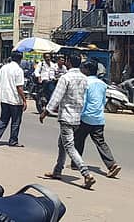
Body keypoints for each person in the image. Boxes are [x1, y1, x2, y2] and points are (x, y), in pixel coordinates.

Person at [40, 56, 96, 189]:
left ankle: (86, 173)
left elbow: (56, 97)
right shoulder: (84, 79)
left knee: (69, 146)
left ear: (68, 63)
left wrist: (46, 111)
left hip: (66, 117)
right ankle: (57, 171)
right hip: (77, 117)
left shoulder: (65, 78)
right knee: (62, 144)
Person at [73, 64, 122, 178]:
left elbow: (83, 101)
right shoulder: (102, 84)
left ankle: (76, 163)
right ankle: (112, 164)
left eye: (83, 69)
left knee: (78, 139)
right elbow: (103, 101)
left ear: (87, 70)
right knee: (100, 142)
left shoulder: (85, 82)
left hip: (86, 117)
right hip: (99, 118)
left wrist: (79, 114)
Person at [0, 51, 27, 147]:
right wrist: (24, 100)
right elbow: (19, 87)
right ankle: (13, 141)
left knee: (3, 119)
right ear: (20, 59)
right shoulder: (18, 70)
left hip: (4, 98)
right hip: (15, 100)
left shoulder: (3, 68)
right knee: (16, 121)